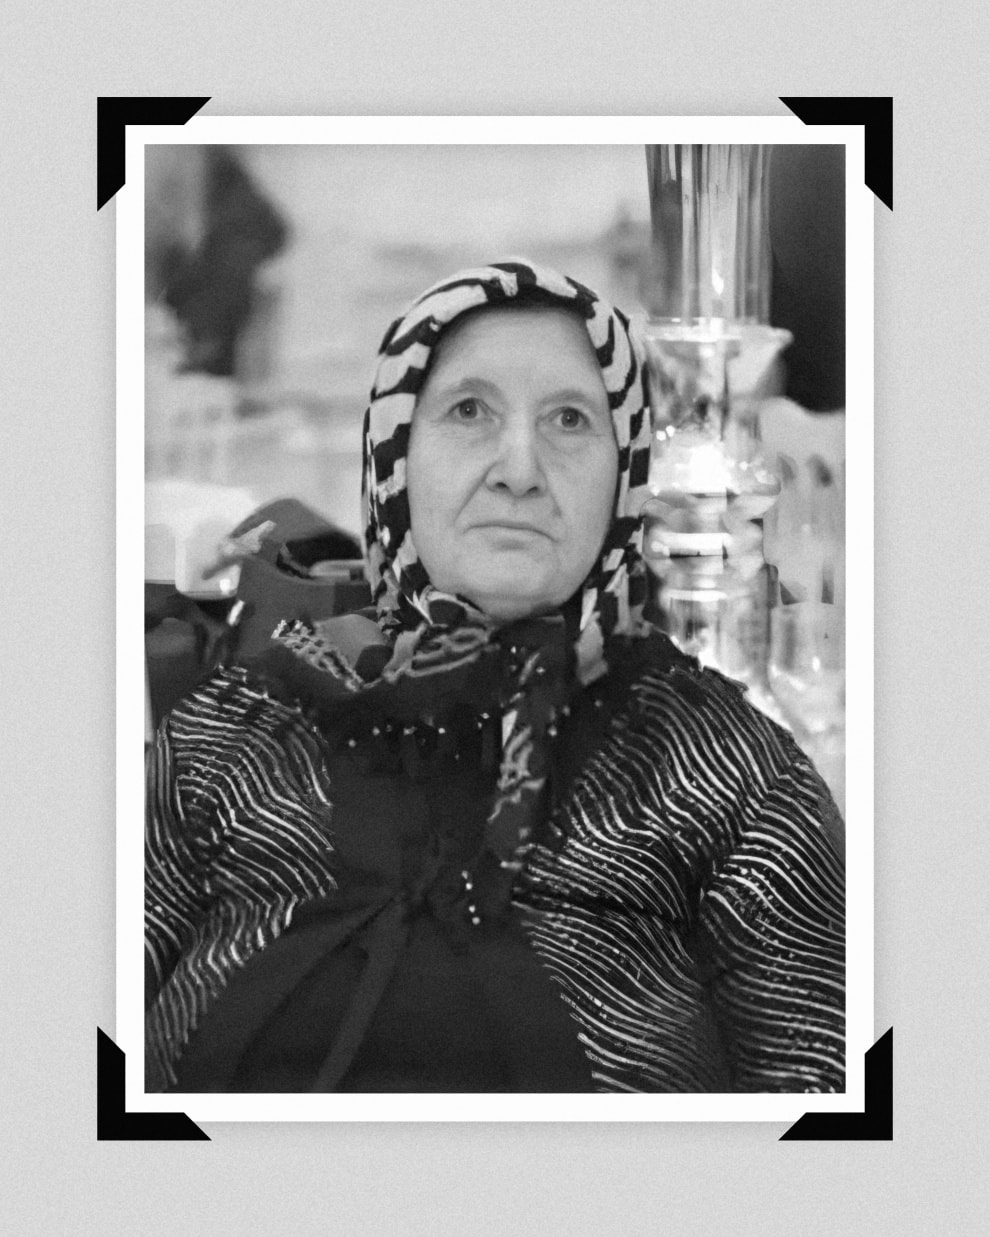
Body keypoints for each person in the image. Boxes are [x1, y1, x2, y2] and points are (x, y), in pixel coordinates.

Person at [145, 259, 844, 1094]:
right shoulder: (235, 730)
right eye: (469, 411)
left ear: (625, 475)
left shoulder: (725, 769)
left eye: (570, 420)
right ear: (395, 457)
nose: (519, 466)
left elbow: (825, 1109)